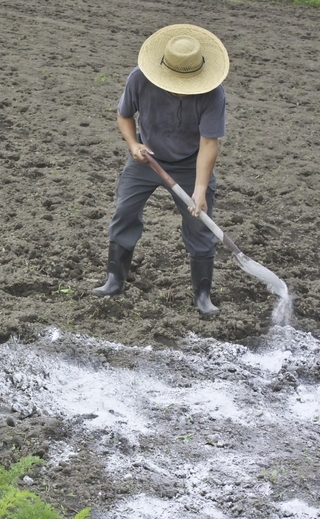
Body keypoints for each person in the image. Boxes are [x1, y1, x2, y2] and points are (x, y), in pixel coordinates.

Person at [93, 24, 229, 317]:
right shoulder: (140, 79)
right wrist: (133, 144)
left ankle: (202, 295)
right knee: (124, 213)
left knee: (200, 225)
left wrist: (201, 189)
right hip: (147, 158)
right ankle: (115, 279)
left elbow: (208, 143)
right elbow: (124, 114)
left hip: (190, 164)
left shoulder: (213, 94)